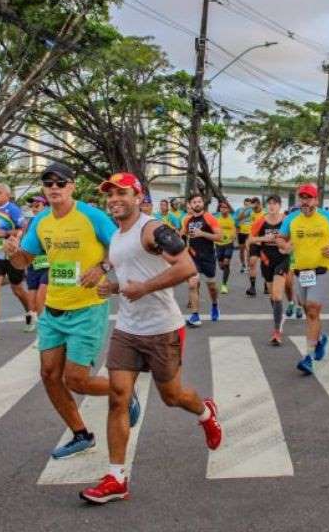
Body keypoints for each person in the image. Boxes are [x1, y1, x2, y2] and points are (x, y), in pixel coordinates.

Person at [80, 174, 222, 504]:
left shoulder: (153, 229)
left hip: (162, 329)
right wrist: (112, 285)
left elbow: (186, 267)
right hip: (128, 330)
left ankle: (205, 412)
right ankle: (116, 477)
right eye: (110, 194)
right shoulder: (116, 235)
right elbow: (129, 271)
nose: (115, 198)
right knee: (118, 396)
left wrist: (144, 288)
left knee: (172, 397)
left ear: (137, 195)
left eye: (122, 193)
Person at [6, 165, 140, 459]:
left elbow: (121, 245)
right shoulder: (41, 221)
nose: (54, 187)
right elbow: (23, 260)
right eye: (48, 183)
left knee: (77, 380)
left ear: (72, 187)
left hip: (87, 308)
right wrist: (13, 252)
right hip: (54, 309)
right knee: (49, 374)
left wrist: (102, 267)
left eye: (60, 183)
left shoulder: (91, 216)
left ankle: (124, 391)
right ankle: (81, 434)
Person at [278, 183, 329, 376]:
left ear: (316, 199)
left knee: (313, 309)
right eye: (302, 198)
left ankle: (309, 357)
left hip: (321, 270)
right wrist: (285, 245)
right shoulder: (291, 219)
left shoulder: (327, 216)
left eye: (309, 198)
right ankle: (320, 338)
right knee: (308, 311)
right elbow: (281, 238)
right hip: (300, 272)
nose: (305, 202)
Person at [0, 183, 37, 340]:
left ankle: (31, 312)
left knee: (17, 289)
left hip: (11, 256)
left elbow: (23, 230)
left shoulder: (13, 209)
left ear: (7, 195)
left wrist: (5, 233)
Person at [248, 195, 289, 345]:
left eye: (275, 203)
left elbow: (293, 240)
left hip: (282, 260)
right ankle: (279, 316)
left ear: (280, 205)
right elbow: (251, 239)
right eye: (269, 204)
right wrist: (267, 239)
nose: (272, 206)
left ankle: (277, 332)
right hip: (266, 260)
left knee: (277, 296)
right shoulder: (261, 221)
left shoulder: (286, 220)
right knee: (273, 296)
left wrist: (286, 246)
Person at [180, 193, 222, 326]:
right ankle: (195, 316)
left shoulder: (210, 218)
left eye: (199, 201)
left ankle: (215, 305)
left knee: (212, 286)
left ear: (202, 204)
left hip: (208, 256)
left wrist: (202, 233)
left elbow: (219, 237)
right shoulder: (187, 220)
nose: (197, 204)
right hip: (193, 257)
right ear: (190, 205)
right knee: (193, 284)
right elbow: (183, 235)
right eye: (194, 202)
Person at [22, 195, 49, 325]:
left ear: (45, 205)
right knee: (32, 291)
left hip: (50, 262)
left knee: (42, 291)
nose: (34, 208)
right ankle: (34, 318)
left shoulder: (51, 218)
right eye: (32, 206)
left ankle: (43, 321)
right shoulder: (31, 222)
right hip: (35, 262)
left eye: (37, 206)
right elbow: (25, 243)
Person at [242, 198, 265, 296]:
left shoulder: (265, 214)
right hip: (254, 241)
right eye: (252, 204)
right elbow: (239, 218)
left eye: (255, 204)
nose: (253, 206)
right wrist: (246, 208)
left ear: (259, 204)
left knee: (266, 266)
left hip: (265, 241)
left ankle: (267, 285)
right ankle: (252, 287)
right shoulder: (251, 213)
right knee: (252, 262)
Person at [214, 200, 237, 294]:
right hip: (218, 244)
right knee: (221, 265)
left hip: (228, 244)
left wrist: (233, 236)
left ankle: (224, 285)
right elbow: (213, 229)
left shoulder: (232, 219)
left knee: (226, 262)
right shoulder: (216, 219)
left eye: (225, 207)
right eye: (221, 207)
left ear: (228, 209)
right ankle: (226, 271)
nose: (223, 209)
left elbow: (235, 229)